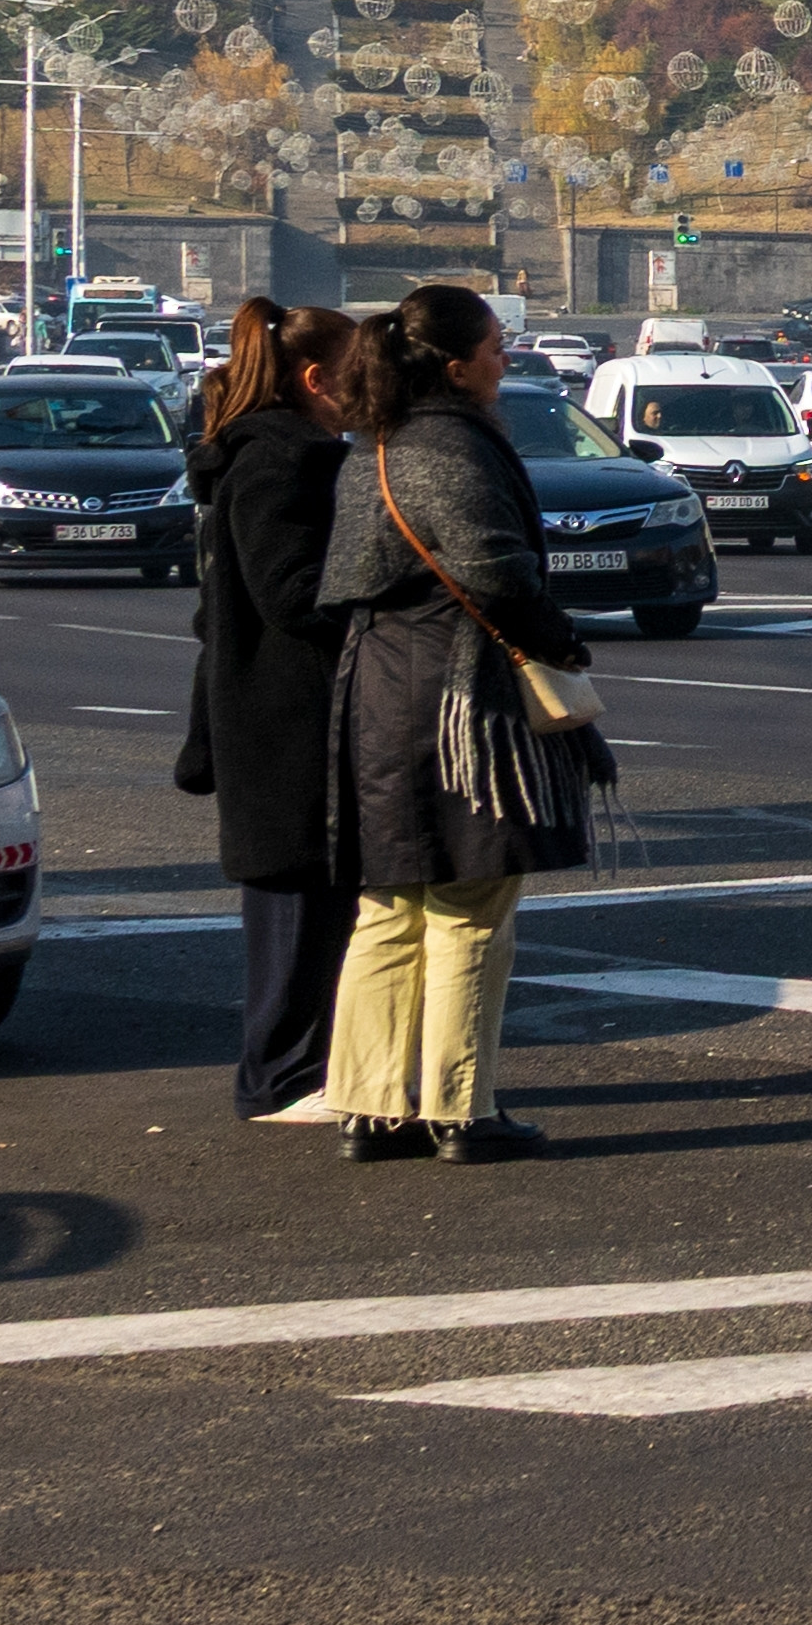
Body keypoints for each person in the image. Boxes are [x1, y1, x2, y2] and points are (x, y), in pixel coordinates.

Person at [320, 280, 600, 1162]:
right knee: (471, 906)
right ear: (453, 366)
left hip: (381, 689)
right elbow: (492, 565)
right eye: (492, 348)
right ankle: (458, 1108)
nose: (503, 359)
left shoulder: (376, 443)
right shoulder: (451, 442)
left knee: (389, 906)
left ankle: (369, 1106)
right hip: (457, 699)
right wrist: (559, 637)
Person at [179, 298, 361, 1128]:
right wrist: (386, 585)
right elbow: (289, 593)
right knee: (296, 906)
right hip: (288, 717)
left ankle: (302, 1071)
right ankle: (281, 1079)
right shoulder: (280, 463)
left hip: (279, 713)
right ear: (315, 380)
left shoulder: (281, 455)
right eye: (358, 373)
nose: (373, 387)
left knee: (314, 907)